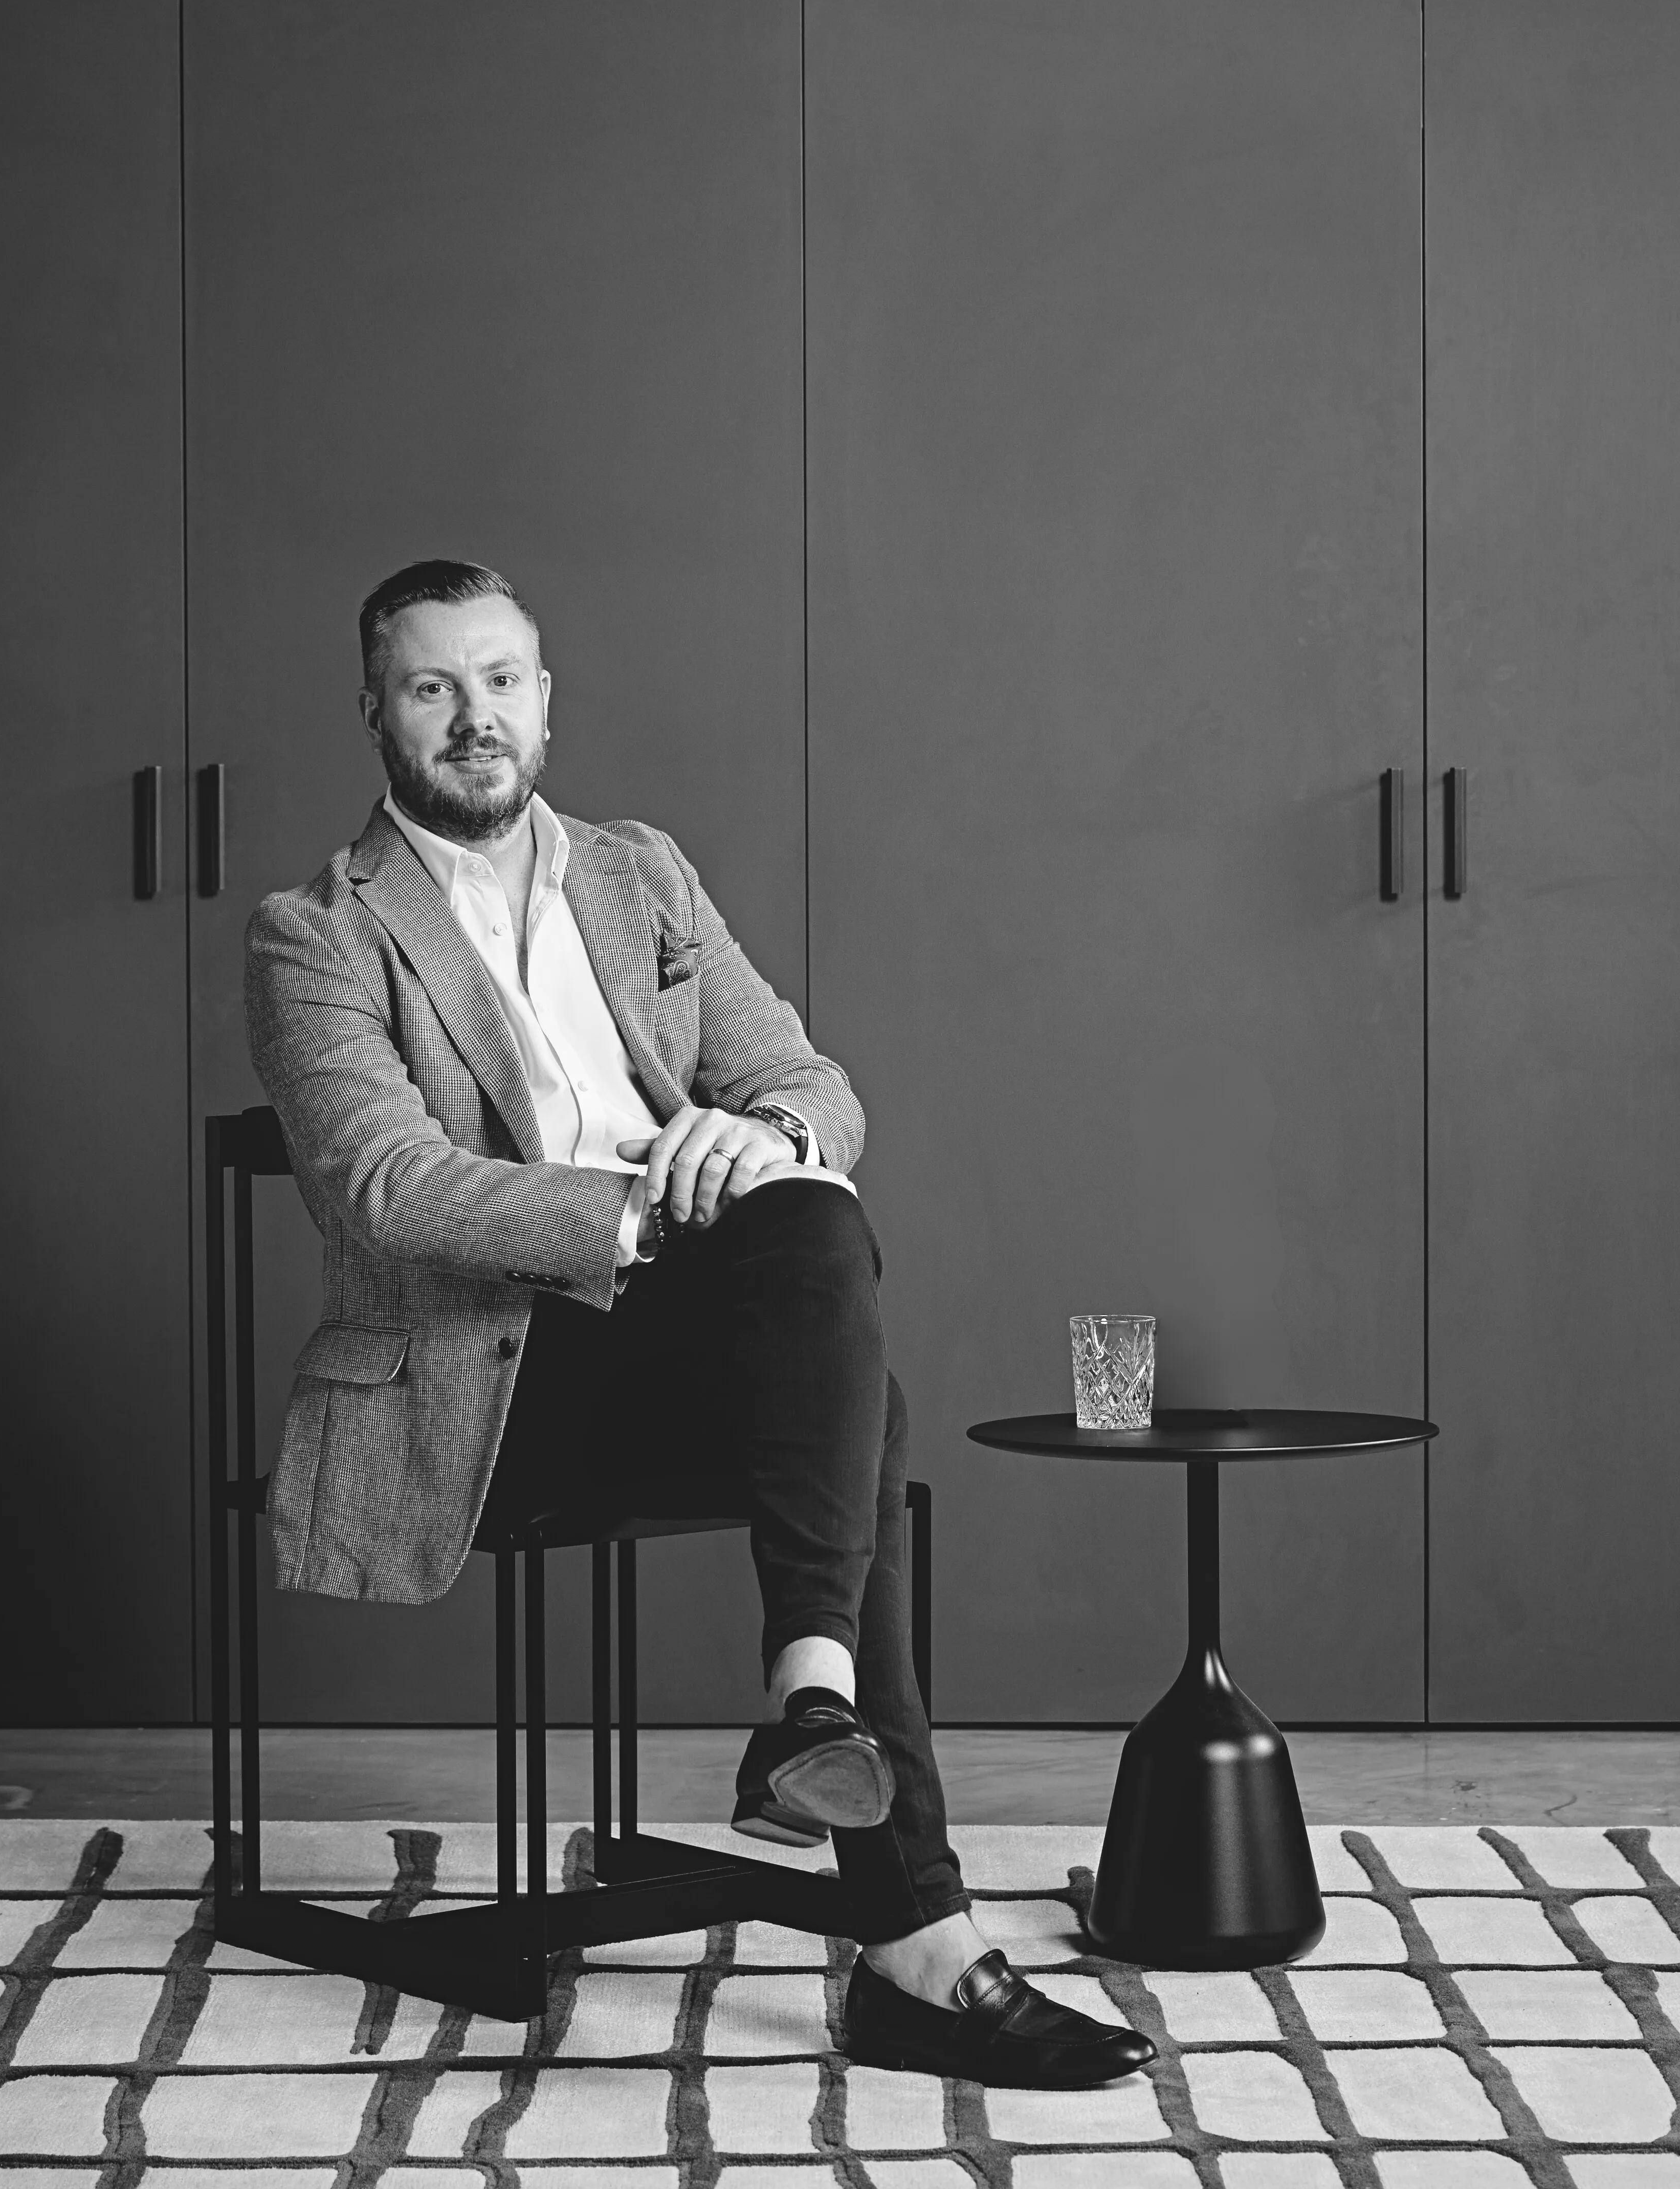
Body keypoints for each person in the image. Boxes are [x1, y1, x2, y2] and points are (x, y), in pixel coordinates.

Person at [245, 558, 1153, 2090]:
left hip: (687, 1338)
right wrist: (641, 1205)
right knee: (857, 1392)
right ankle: (899, 1910)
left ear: (546, 692)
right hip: (491, 1375)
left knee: (806, 1205)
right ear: (375, 714)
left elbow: (812, 1082)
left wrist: (760, 1135)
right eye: (431, 687)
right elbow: (384, 1185)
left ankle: (817, 1712)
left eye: (502, 678)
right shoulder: (316, 932)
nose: (476, 717)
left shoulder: (639, 873)